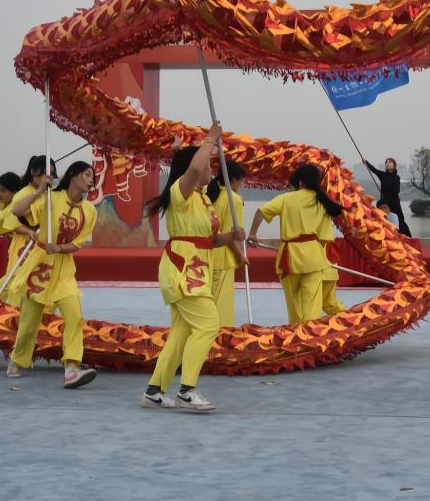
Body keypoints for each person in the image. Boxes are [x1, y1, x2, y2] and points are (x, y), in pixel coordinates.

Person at [141, 125, 244, 412]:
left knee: (181, 333)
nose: (210, 169)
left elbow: (209, 240)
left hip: (196, 269)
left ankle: (154, 390)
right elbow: (196, 168)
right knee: (209, 324)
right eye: (208, 165)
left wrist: (231, 237)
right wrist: (211, 138)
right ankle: (187, 389)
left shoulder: (203, 198)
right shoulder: (181, 192)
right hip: (183, 270)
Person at [7, 160, 99, 388]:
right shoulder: (51, 198)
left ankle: (71, 368)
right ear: (74, 175)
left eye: (92, 178)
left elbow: (78, 243)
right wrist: (39, 189)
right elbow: (17, 211)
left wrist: (59, 247)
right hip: (40, 267)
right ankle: (17, 359)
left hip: (64, 268)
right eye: (87, 175)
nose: (91, 181)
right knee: (29, 322)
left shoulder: (90, 211)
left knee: (74, 315)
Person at [249, 162, 344, 325]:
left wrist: (253, 235)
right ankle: (310, 334)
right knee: (311, 306)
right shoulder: (322, 202)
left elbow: (261, 212)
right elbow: (323, 239)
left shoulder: (286, 199)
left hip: (290, 257)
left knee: (294, 306)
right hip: (313, 257)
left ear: (300, 182)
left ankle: (295, 334)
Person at [0, 167, 44, 302]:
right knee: (0, 288)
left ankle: (16, 311)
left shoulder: (19, 201)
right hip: (14, 245)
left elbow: (16, 226)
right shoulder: (7, 200)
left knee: (16, 283)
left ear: (14, 192)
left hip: (25, 244)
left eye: (3, 191)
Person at [207, 157, 247, 327]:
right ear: (233, 179)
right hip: (222, 260)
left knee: (208, 306)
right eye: (240, 181)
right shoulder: (233, 199)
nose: (241, 185)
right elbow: (232, 235)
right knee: (220, 311)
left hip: (205, 256)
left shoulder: (208, 194)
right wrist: (241, 255)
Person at [363, 156, 412, 237]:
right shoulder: (382, 175)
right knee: (383, 219)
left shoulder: (396, 177)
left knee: (400, 219)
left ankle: (406, 237)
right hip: (384, 202)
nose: (387, 164)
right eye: (386, 162)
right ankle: (382, 236)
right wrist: (366, 163)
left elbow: (397, 190)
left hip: (394, 202)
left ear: (394, 165)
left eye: (390, 162)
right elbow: (374, 170)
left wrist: (387, 190)